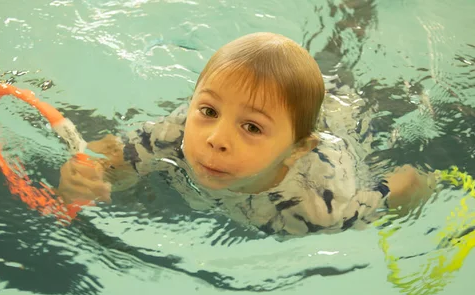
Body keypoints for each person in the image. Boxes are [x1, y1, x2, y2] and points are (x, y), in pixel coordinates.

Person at [58, 32, 433, 236]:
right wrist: (87, 174)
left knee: (346, 53)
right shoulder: (173, 135)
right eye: (208, 111)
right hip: (288, 108)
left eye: (251, 127)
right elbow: (111, 160)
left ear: (296, 150)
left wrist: (417, 189)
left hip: (345, 115)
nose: (215, 138)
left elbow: (403, 184)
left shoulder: (320, 207)